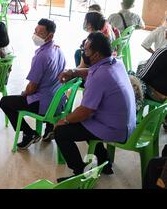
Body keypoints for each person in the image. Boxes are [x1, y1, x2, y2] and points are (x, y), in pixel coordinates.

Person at [55, 32, 136, 181]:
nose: (83, 52)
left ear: (96, 55)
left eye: (85, 50)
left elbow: (85, 111)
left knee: (61, 132)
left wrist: (65, 120)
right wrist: (74, 72)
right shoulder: (115, 62)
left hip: (114, 129)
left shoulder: (100, 77)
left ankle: (79, 173)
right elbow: (92, 71)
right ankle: (106, 163)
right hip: (125, 124)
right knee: (85, 124)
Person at [0, 19, 65, 149]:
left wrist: (23, 94)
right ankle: (49, 128)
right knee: (47, 87)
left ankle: (29, 134)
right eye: (35, 31)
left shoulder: (42, 57)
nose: (35, 35)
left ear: (50, 36)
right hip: (59, 101)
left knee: (5, 102)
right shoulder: (58, 50)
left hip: (45, 104)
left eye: (40, 33)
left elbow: (31, 88)